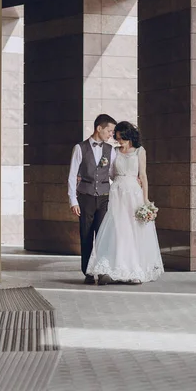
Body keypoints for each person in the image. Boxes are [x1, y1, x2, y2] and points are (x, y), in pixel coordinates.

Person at [87, 121, 164, 285]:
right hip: (117, 193)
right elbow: (111, 173)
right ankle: (117, 268)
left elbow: (143, 175)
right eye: (117, 137)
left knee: (134, 229)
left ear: (129, 136)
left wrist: (145, 199)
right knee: (119, 229)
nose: (119, 141)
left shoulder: (140, 151)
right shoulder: (114, 152)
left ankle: (135, 269)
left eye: (121, 138)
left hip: (134, 194)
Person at [68, 114, 117, 284]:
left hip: (104, 197)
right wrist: (73, 200)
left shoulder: (111, 150)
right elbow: (72, 175)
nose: (111, 134)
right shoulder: (80, 148)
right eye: (109, 131)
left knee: (103, 235)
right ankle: (88, 272)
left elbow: (112, 174)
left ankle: (103, 271)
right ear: (99, 128)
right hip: (85, 197)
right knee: (86, 235)